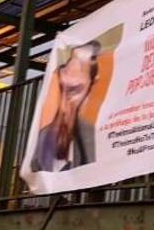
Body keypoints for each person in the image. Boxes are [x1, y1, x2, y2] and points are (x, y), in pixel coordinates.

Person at [29, 40, 101, 172]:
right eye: (63, 88)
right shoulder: (45, 136)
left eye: (75, 90)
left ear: (93, 80)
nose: (65, 103)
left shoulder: (94, 136)